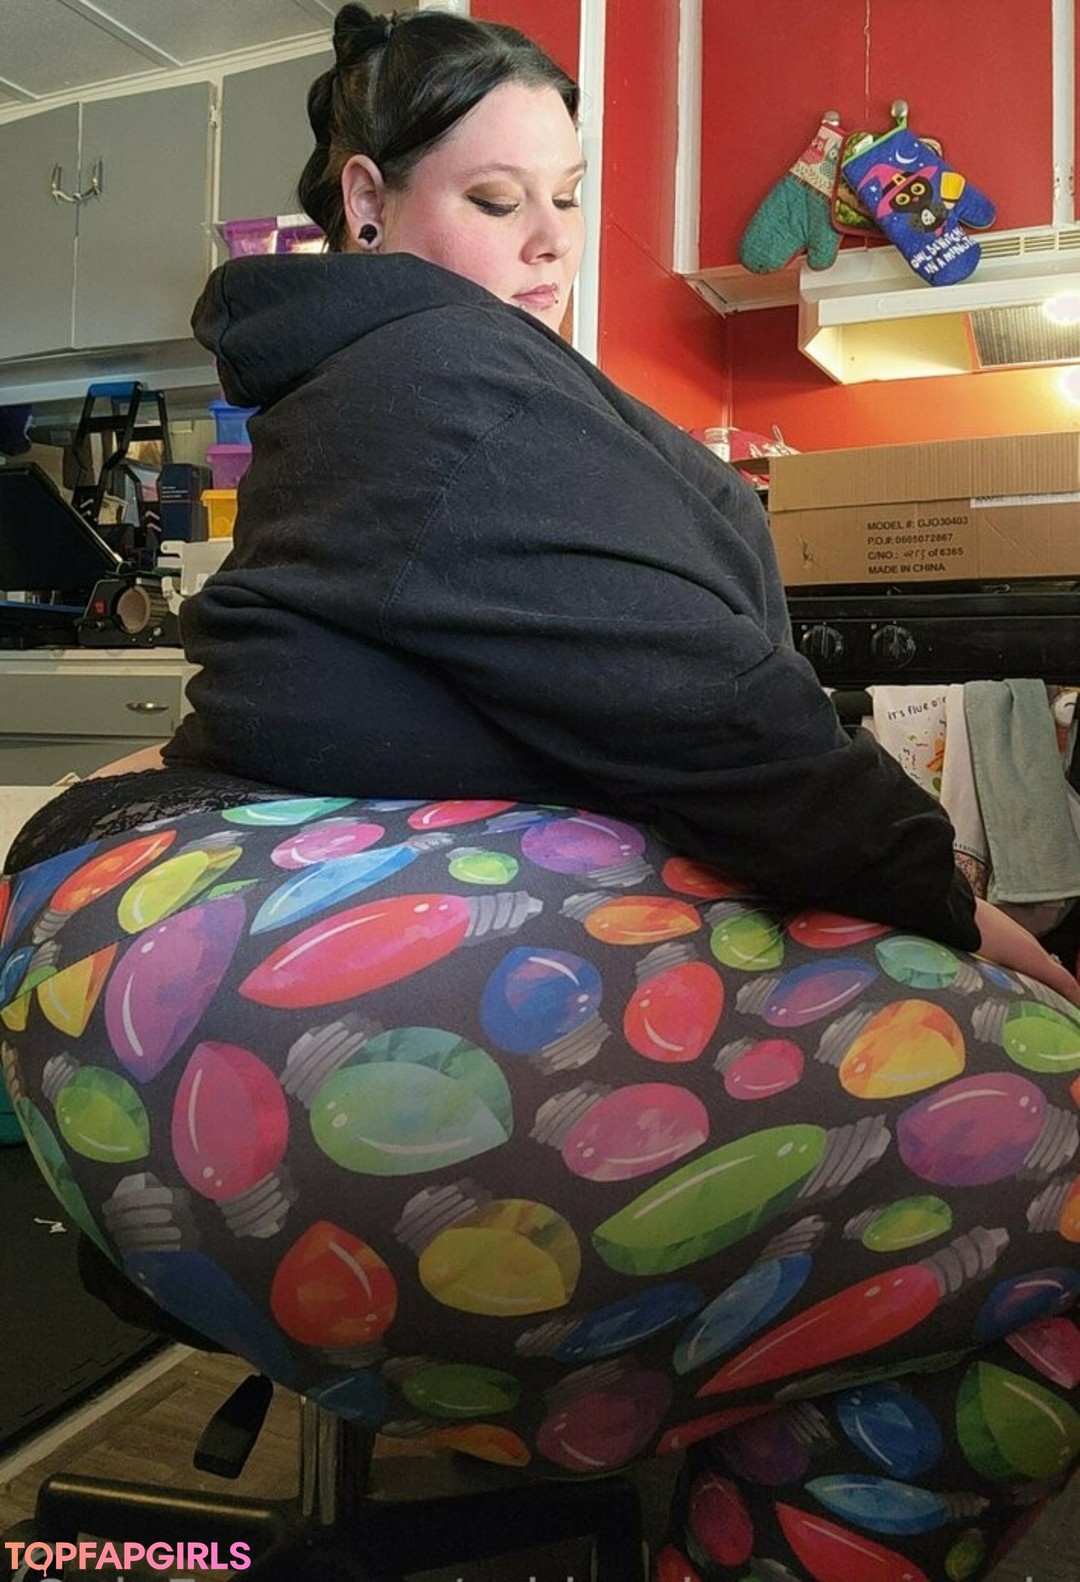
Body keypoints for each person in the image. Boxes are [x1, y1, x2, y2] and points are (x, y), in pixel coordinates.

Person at [2, 9, 1077, 1580]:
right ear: (366, 201)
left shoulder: (381, 373)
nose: (552, 243)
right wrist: (949, 899)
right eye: (496, 200)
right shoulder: (438, 366)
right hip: (203, 978)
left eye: (567, 197)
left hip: (157, 930)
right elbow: (712, 714)